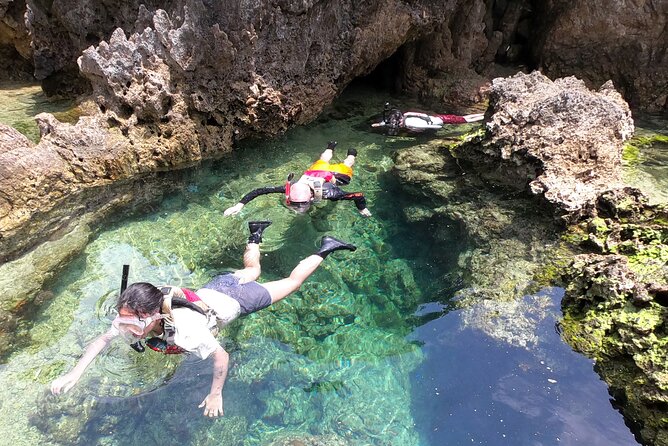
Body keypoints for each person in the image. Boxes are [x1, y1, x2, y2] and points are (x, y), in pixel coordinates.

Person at [50, 221, 357, 418]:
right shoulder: (132, 318)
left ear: (156, 313)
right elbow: (102, 339)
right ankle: (255, 233)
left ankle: (326, 247)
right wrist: (74, 375)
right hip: (214, 290)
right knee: (252, 272)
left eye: (132, 322)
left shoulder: (187, 332)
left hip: (236, 300)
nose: (125, 328)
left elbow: (221, 357)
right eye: (122, 319)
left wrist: (215, 393)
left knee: (290, 283)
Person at [223, 141, 371, 217]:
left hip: (336, 176)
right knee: (323, 160)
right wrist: (239, 205)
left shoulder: (331, 194)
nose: (297, 209)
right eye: (296, 205)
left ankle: (351, 152)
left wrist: (362, 208)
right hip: (317, 172)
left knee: (347, 164)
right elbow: (259, 191)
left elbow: (358, 195)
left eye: (299, 205)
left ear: (312, 196)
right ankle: (331, 146)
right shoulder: (290, 188)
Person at [372, 103, 485, 135]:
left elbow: (426, 126)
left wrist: (435, 126)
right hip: (438, 117)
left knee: (464, 120)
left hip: (440, 120)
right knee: (463, 118)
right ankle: (483, 114)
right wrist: (379, 124)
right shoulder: (406, 116)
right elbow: (416, 114)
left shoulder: (409, 123)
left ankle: (482, 116)